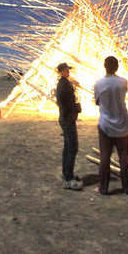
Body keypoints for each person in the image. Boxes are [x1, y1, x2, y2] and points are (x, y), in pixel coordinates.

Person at [94, 56, 128, 195]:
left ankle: (103, 188)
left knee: (104, 156)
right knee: (124, 156)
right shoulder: (124, 82)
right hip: (123, 124)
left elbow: (97, 101)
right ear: (117, 67)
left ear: (104, 66)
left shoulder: (98, 83)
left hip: (105, 125)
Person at [56, 62, 83, 190]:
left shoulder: (64, 83)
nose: (68, 71)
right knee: (72, 148)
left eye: (68, 69)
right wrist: (75, 109)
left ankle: (66, 173)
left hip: (66, 118)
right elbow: (64, 102)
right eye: (66, 70)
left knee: (68, 147)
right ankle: (68, 179)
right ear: (61, 71)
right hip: (67, 119)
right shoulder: (63, 85)